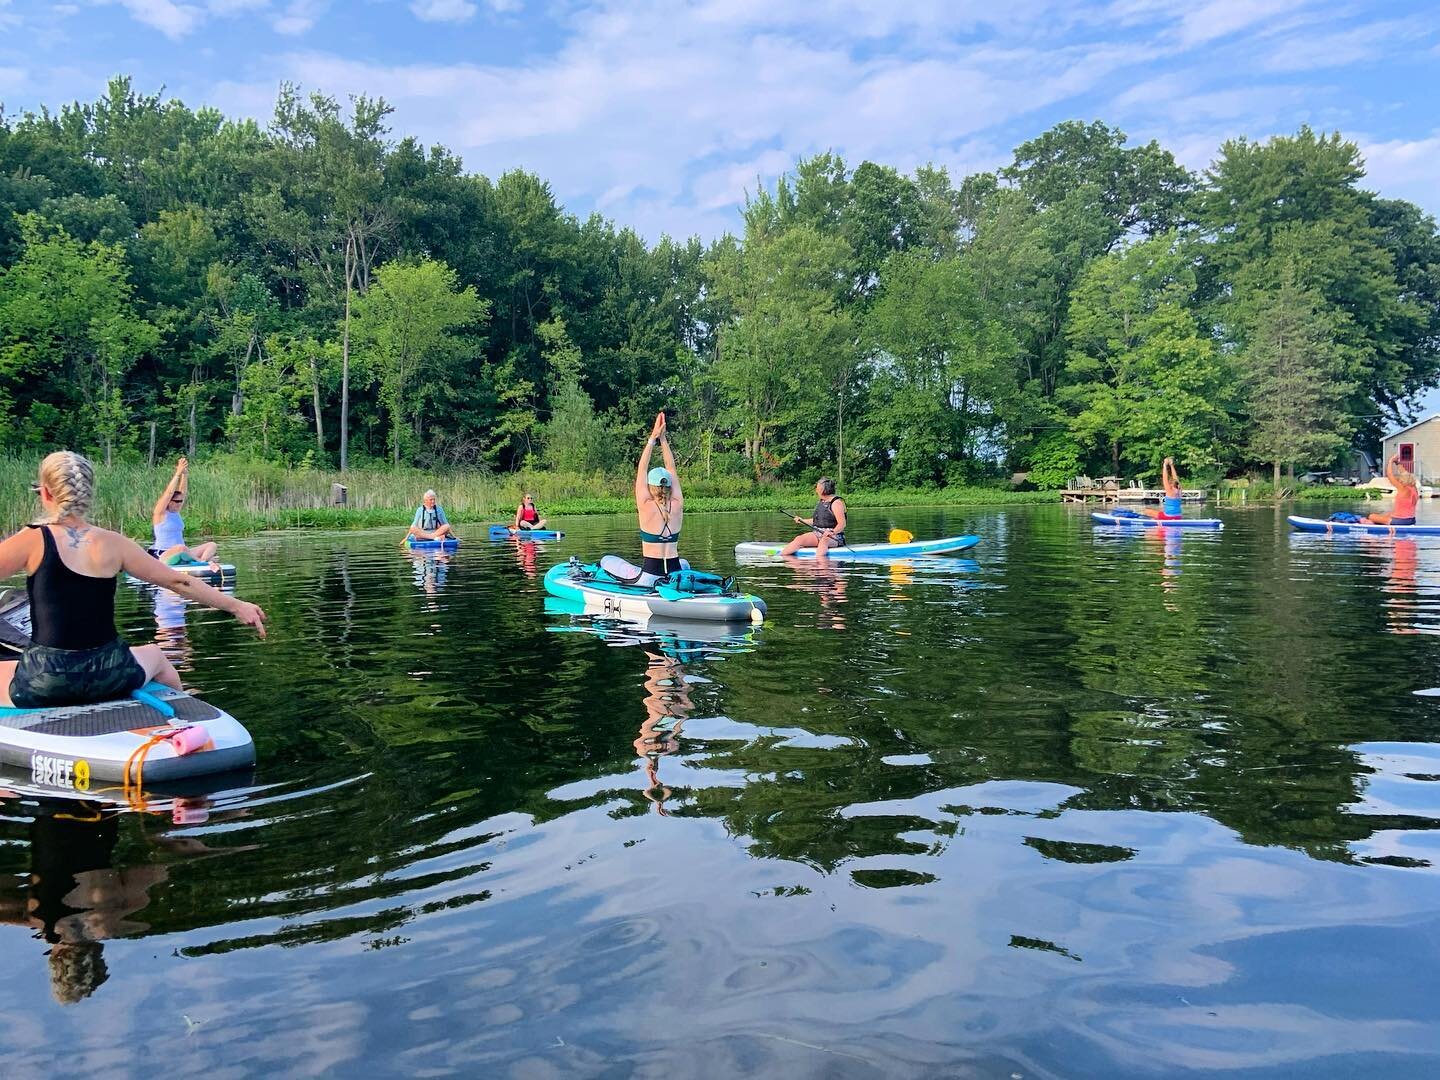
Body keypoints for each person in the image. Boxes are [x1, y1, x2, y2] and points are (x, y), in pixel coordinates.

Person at [0, 452, 267, 709]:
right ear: (89, 493)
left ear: (45, 493)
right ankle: (183, 722)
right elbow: (180, 583)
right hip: (112, 672)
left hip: (47, 679)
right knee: (158, 655)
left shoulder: (31, 539)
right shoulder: (116, 543)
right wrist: (237, 606)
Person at [635, 411, 683, 581]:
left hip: (651, 574)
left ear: (650, 486)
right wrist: (663, 440)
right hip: (675, 570)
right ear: (670, 485)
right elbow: (672, 468)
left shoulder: (645, 504)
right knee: (683, 563)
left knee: (606, 561)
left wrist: (652, 438)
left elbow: (642, 469)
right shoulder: (677, 504)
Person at [151, 457, 220, 571]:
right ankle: (202, 563)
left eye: (181, 502)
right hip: (163, 555)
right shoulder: (160, 513)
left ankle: (200, 562)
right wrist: (178, 473)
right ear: (169, 502)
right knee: (180, 548)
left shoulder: (176, 511)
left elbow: (183, 492)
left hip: (183, 552)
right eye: (177, 501)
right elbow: (168, 493)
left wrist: (185, 474)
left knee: (211, 545)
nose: (180, 504)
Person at [781, 477, 848, 557]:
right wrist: (802, 520)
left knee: (824, 540)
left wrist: (832, 532)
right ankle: (782, 556)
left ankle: (819, 564)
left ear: (822, 489)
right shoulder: (822, 501)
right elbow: (817, 521)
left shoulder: (836, 503)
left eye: (817, 487)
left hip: (834, 537)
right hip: (817, 534)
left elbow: (842, 524)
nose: (816, 490)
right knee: (799, 539)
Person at [1366, 453, 1420, 525]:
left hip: (1400, 521)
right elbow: (1404, 472)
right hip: (1411, 520)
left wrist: (1391, 461)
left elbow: (1390, 475)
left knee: (1371, 516)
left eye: (1400, 479)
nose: (1399, 480)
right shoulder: (1414, 488)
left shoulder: (1402, 488)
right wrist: (1397, 463)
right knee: (1388, 514)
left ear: (1403, 481)